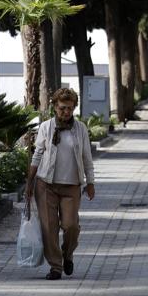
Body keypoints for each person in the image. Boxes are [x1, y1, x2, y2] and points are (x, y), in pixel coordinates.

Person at [26, 88, 96, 280]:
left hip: (72, 185)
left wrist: (90, 182)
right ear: (55, 107)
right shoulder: (46, 127)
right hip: (46, 184)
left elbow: (87, 158)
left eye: (70, 108)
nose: (66, 112)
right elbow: (37, 154)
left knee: (71, 226)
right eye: (63, 108)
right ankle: (56, 266)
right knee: (49, 227)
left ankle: (68, 254)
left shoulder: (80, 129)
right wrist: (29, 183)